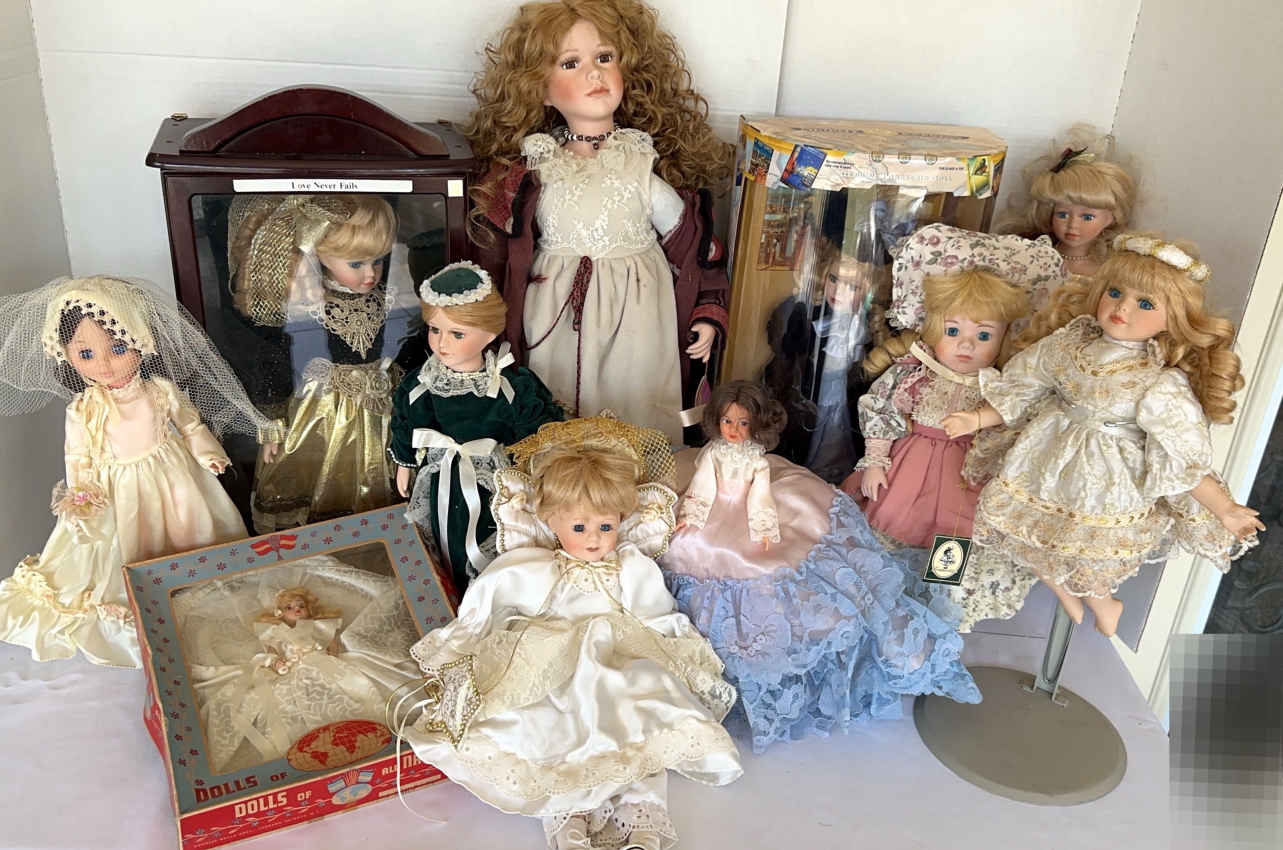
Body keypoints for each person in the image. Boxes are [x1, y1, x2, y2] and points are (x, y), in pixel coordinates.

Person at [399, 419, 741, 850]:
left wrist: (676, 651)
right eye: (579, 528)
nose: (595, 539)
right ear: (552, 523)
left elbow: (655, 613)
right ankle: (568, 813)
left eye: (606, 526)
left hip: (619, 652)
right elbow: (491, 598)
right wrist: (467, 640)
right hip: (554, 654)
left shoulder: (630, 566)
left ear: (621, 520)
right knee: (549, 722)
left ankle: (642, 813)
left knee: (638, 717)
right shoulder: (539, 566)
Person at [942, 234, 1263, 637]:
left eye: (1145, 304)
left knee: (1089, 554)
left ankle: (1102, 600)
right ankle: (1068, 593)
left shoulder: (1158, 380)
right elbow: (1025, 385)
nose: (1122, 308)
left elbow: (1180, 456)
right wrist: (976, 418)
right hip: (1044, 461)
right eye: (1115, 292)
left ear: (1174, 318)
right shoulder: (1069, 345)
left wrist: (1225, 508)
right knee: (1027, 536)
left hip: (1107, 479)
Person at [660, 381, 980, 753]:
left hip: (754, 512)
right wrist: (692, 515)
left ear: (756, 425)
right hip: (716, 510)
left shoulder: (756, 461)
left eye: (743, 423)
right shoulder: (712, 453)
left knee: (787, 555)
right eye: (727, 422)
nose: (733, 430)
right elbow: (701, 487)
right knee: (695, 549)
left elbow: (761, 499)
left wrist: (763, 529)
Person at [465, 0, 734, 441]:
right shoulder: (537, 170)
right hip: (552, 315)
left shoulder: (638, 165)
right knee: (552, 405)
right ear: (541, 89)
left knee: (633, 403)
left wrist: (706, 312)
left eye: (605, 57)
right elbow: (499, 255)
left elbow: (696, 249)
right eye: (571, 63)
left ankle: (633, 473)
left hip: (638, 317)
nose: (594, 74)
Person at [0, 275, 266, 666]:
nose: (105, 364)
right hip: (115, 489)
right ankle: (141, 604)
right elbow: (78, 454)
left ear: (141, 342)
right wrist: (81, 491)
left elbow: (191, 425)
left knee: (189, 534)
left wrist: (207, 454)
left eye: (118, 348)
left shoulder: (159, 391)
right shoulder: (83, 408)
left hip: (173, 480)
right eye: (86, 354)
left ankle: (190, 588)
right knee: (123, 548)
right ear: (67, 356)